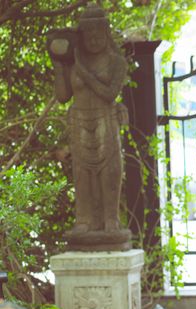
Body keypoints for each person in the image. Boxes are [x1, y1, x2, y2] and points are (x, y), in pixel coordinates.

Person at [49, 3, 130, 249]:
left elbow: (109, 93)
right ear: (81, 37)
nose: (94, 40)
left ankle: (110, 219)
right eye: (88, 35)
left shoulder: (116, 62)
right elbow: (63, 97)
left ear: (106, 34)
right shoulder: (74, 64)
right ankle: (83, 220)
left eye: (98, 34)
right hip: (79, 119)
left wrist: (84, 74)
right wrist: (59, 67)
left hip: (105, 118)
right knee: (81, 172)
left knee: (110, 171)